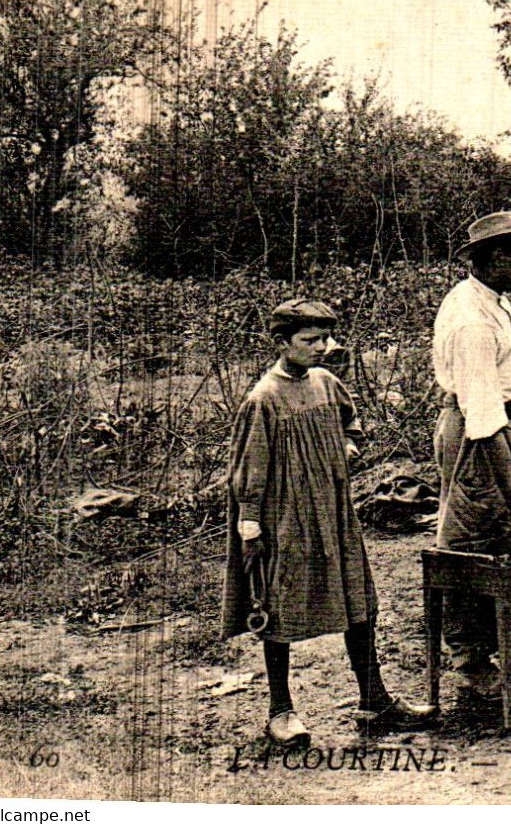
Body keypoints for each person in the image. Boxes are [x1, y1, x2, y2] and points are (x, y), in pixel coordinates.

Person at [221, 299, 436, 746]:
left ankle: (374, 698)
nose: (322, 347)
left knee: (358, 600)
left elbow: (352, 425)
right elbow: (249, 472)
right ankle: (280, 711)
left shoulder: (326, 383)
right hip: (287, 520)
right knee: (276, 608)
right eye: (310, 340)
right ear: (281, 343)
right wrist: (251, 527)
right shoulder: (263, 400)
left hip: (335, 513)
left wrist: (349, 447)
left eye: (325, 338)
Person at [432, 211, 511, 683]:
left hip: (499, 426)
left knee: (503, 536)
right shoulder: (471, 321)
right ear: (492, 257)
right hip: (478, 437)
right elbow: (484, 421)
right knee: (468, 542)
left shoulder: (493, 299)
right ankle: (469, 657)